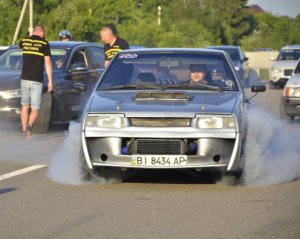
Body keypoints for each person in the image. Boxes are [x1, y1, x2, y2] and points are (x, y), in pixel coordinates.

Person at [19, 25, 53, 139]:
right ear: (42, 33)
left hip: (24, 78)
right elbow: (48, 63)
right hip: (37, 80)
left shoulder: (24, 41)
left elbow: (21, 46)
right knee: (35, 108)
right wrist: (50, 81)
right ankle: (28, 127)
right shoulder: (44, 44)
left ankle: (24, 132)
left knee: (24, 106)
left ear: (33, 31)